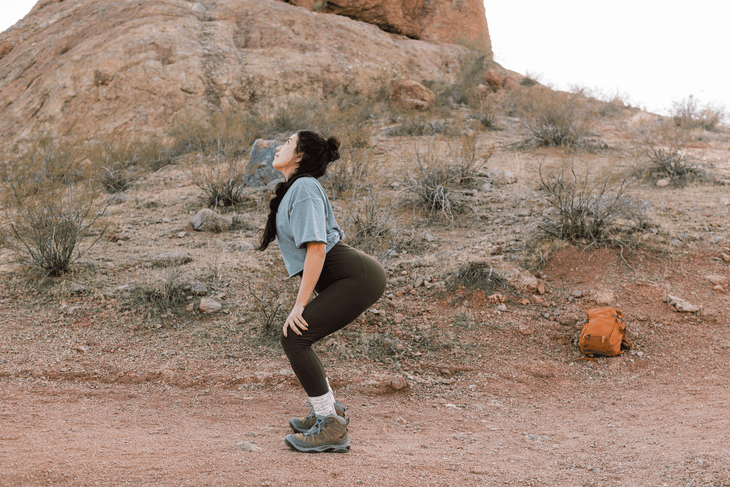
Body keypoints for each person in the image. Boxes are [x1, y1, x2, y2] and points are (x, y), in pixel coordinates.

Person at [257, 130, 387, 453]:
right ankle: (327, 412)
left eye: (287, 143)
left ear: (299, 156)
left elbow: (316, 249)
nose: (278, 146)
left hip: (357, 277)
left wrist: (299, 305)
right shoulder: (295, 189)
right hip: (350, 276)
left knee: (294, 337)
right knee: (296, 337)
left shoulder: (303, 187)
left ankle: (329, 424)